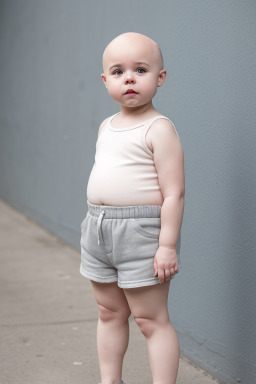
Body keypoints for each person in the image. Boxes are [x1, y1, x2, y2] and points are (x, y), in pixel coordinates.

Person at [80, 32, 185, 384]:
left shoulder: (159, 128)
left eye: (140, 70)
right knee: (109, 312)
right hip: (97, 227)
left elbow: (173, 194)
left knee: (149, 319)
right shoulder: (106, 127)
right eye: (118, 71)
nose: (129, 78)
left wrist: (166, 245)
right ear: (105, 80)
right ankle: (110, 381)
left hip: (141, 231)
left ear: (160, 78)